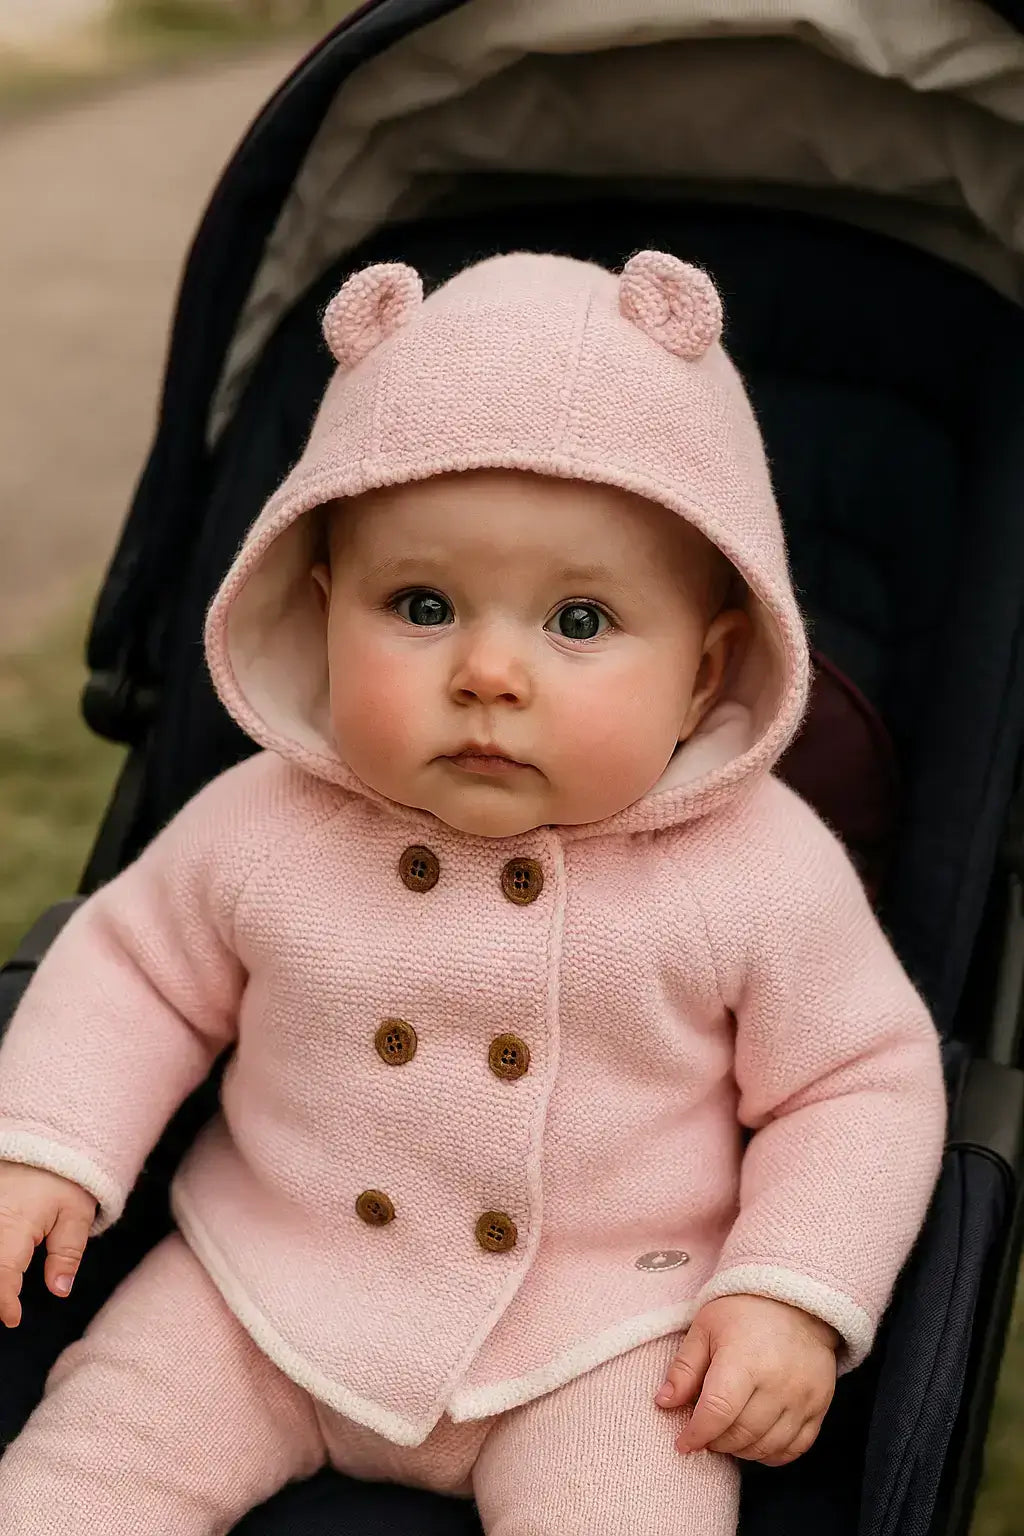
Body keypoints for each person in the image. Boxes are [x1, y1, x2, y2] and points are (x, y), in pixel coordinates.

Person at [0, 250, 946, 1534]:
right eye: (423, 605)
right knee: (83, 1473)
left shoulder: (757, 870)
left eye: (578, 622)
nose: (490, 672)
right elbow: (133, 971)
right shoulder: (263, 824)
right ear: (320, 611)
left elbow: (858, 1080)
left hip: (611, 1329)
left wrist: (785, 1289)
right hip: (262, 1287)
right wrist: (44, 1141)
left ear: (705, 669)